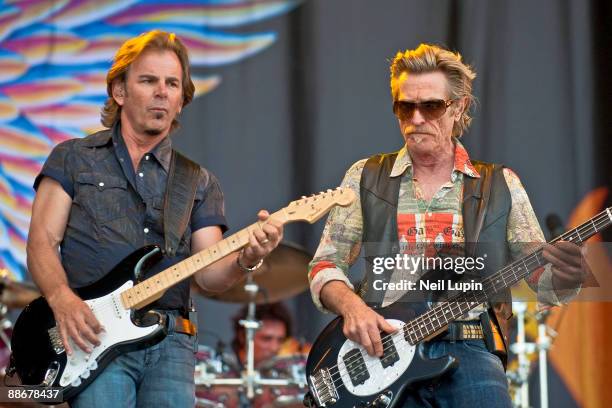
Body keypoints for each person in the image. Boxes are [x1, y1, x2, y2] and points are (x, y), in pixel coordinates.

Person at [308, 44, 587, 407]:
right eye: (405, 106)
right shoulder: (364, 177)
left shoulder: (501, 185)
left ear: (459, 107)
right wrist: (353, 308)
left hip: (470, 347)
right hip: (382, 354)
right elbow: (324, 266)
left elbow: (541, 282)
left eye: (431, 106)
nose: (416, 118)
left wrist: (568, 275)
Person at [26, 30, 284, 407]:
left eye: (172, 84)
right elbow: (41, 242)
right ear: (120, 91)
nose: (162, 91)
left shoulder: (198, 181)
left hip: (171, 343)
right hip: (93, 335)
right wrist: (62, 299)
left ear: (181, 100)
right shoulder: (72, 158)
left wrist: (248, 258)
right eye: (148, 80)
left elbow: (210, 275)